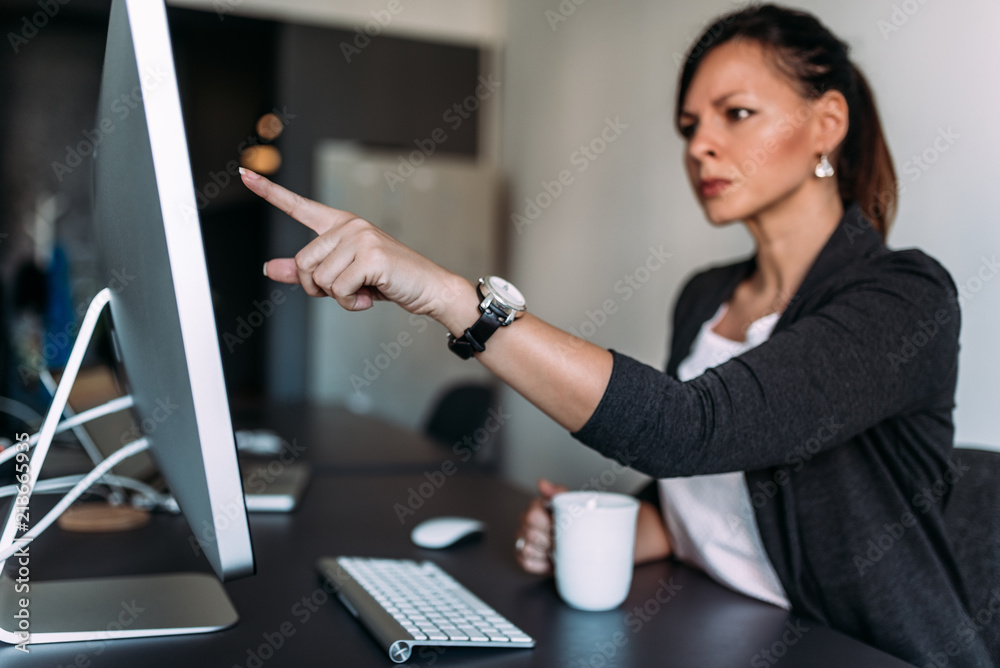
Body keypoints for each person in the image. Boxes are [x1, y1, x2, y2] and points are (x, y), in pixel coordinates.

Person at [240, 4, 992, 665]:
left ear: (827, 122)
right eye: (689, 126)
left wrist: (448, 295)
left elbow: (691, 430)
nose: (699, 146)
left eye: (736, 114)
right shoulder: (705, 297)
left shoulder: (902, 297)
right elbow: (713, 487)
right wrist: (634, 528)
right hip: (723, 627)